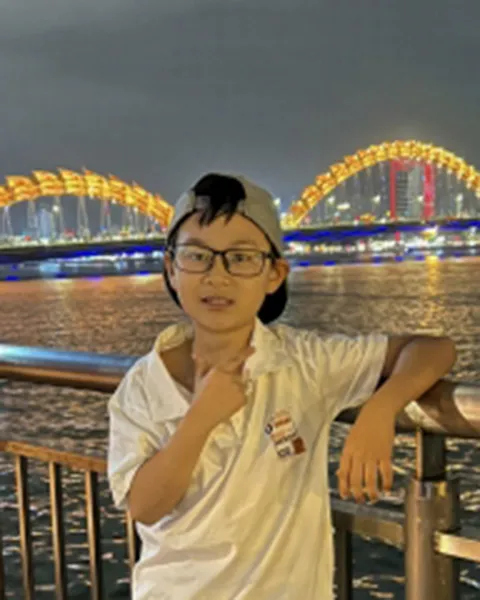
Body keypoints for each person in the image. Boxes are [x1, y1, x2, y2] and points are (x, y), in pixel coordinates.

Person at [108, 173, 456, 600]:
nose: (217, 275)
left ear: (274, 274)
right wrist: (200, 418)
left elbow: (432, 349)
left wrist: (381, 409)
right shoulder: (144, 384)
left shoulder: (305, 362)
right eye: (197, 256)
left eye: (240, 258)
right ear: (171, 269)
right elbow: (144, 506)